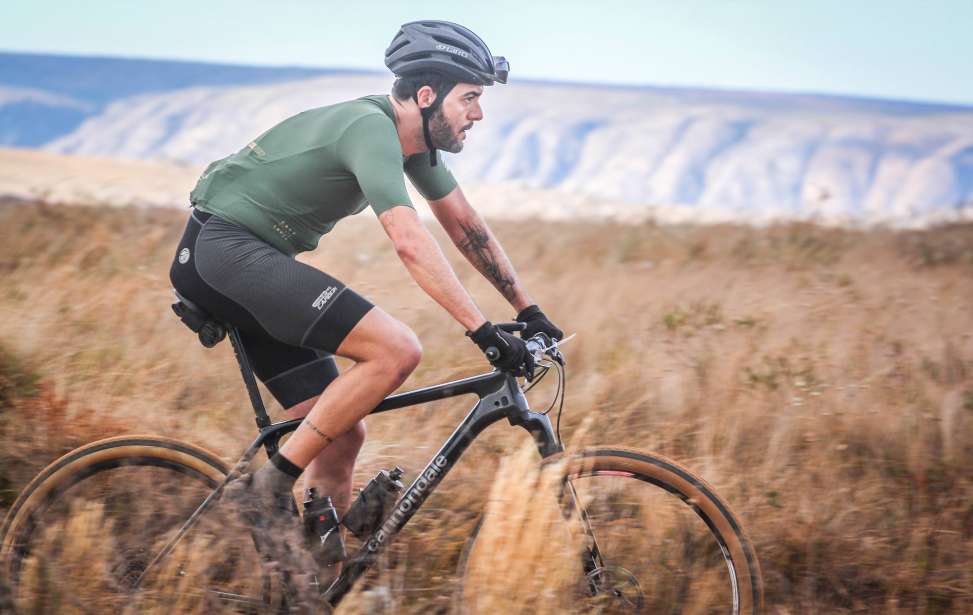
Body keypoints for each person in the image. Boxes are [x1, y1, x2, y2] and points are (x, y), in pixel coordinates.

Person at [168, 18, 563, 594]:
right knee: (396, 350)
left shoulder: (418, 146)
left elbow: (467, 229)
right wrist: (481, 330)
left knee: (341, 435)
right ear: (426, 97)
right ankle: (267, 487)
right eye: (471, 98)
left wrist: (528, 311)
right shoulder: (369, 128)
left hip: (239, 259)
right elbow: (409, 241)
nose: (478, 114)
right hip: (223, 251)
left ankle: (304, 594)